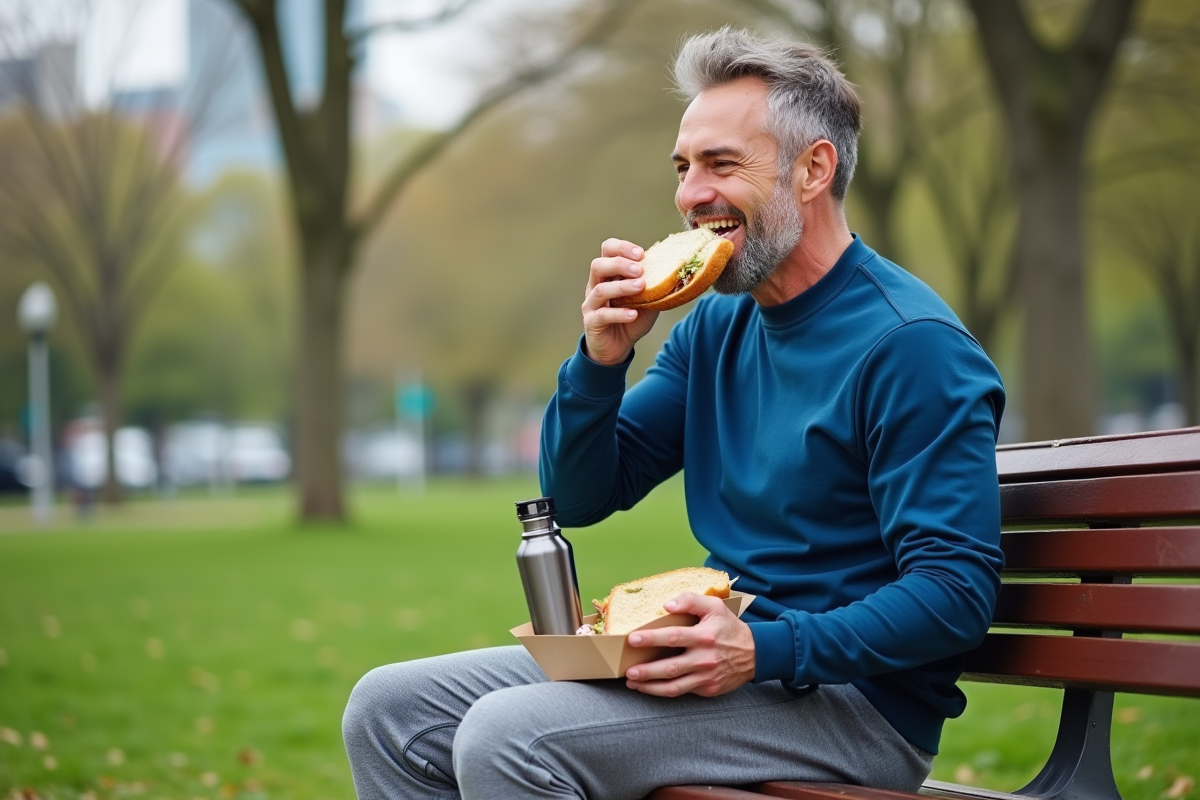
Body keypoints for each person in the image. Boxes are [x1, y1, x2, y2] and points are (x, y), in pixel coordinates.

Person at [342, 27, 1005, 800]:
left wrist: (764, 649)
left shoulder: (911, 346)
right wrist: (601, 361)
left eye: (723, 164)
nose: (692, 194)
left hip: (853, 705)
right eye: (685, 167)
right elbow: (583, 498)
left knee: (508, 738)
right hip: (718, 660)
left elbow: (956, 593)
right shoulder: (717, 327)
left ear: (813, 169)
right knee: (387, 711)